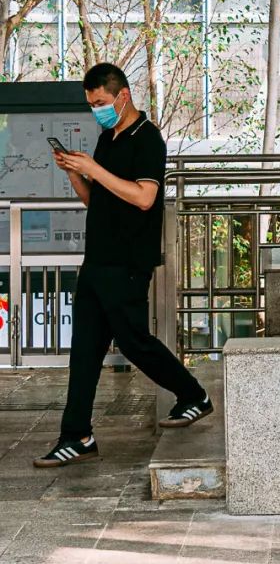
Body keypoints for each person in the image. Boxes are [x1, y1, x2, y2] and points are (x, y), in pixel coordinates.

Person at [34, 64, 212, 468]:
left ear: (122, 96)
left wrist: (95, 170)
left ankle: (194, 395)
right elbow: (99, 201)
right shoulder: (107, 138)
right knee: (84, 350)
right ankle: (76, 435)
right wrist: (76, 175)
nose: (96, 110)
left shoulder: (147, 139)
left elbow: (145, 197)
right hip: (97, 259)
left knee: (133, 341)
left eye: (99, 102)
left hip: (128, 261)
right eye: (91, 104)